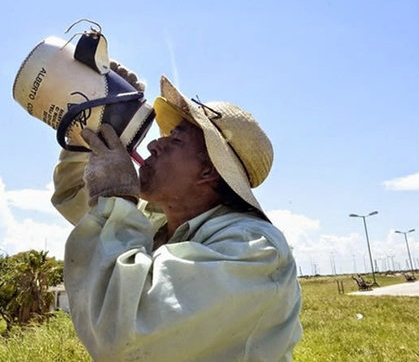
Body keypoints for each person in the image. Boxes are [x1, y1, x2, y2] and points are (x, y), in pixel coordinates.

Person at [51, 72, 302, 362]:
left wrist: (117, 197)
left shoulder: (253, 247)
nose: (154, 145)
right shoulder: (158, 223)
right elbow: (74, 193)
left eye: (176, 139)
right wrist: (97, 120)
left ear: (209, 171)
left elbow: (124, 337)